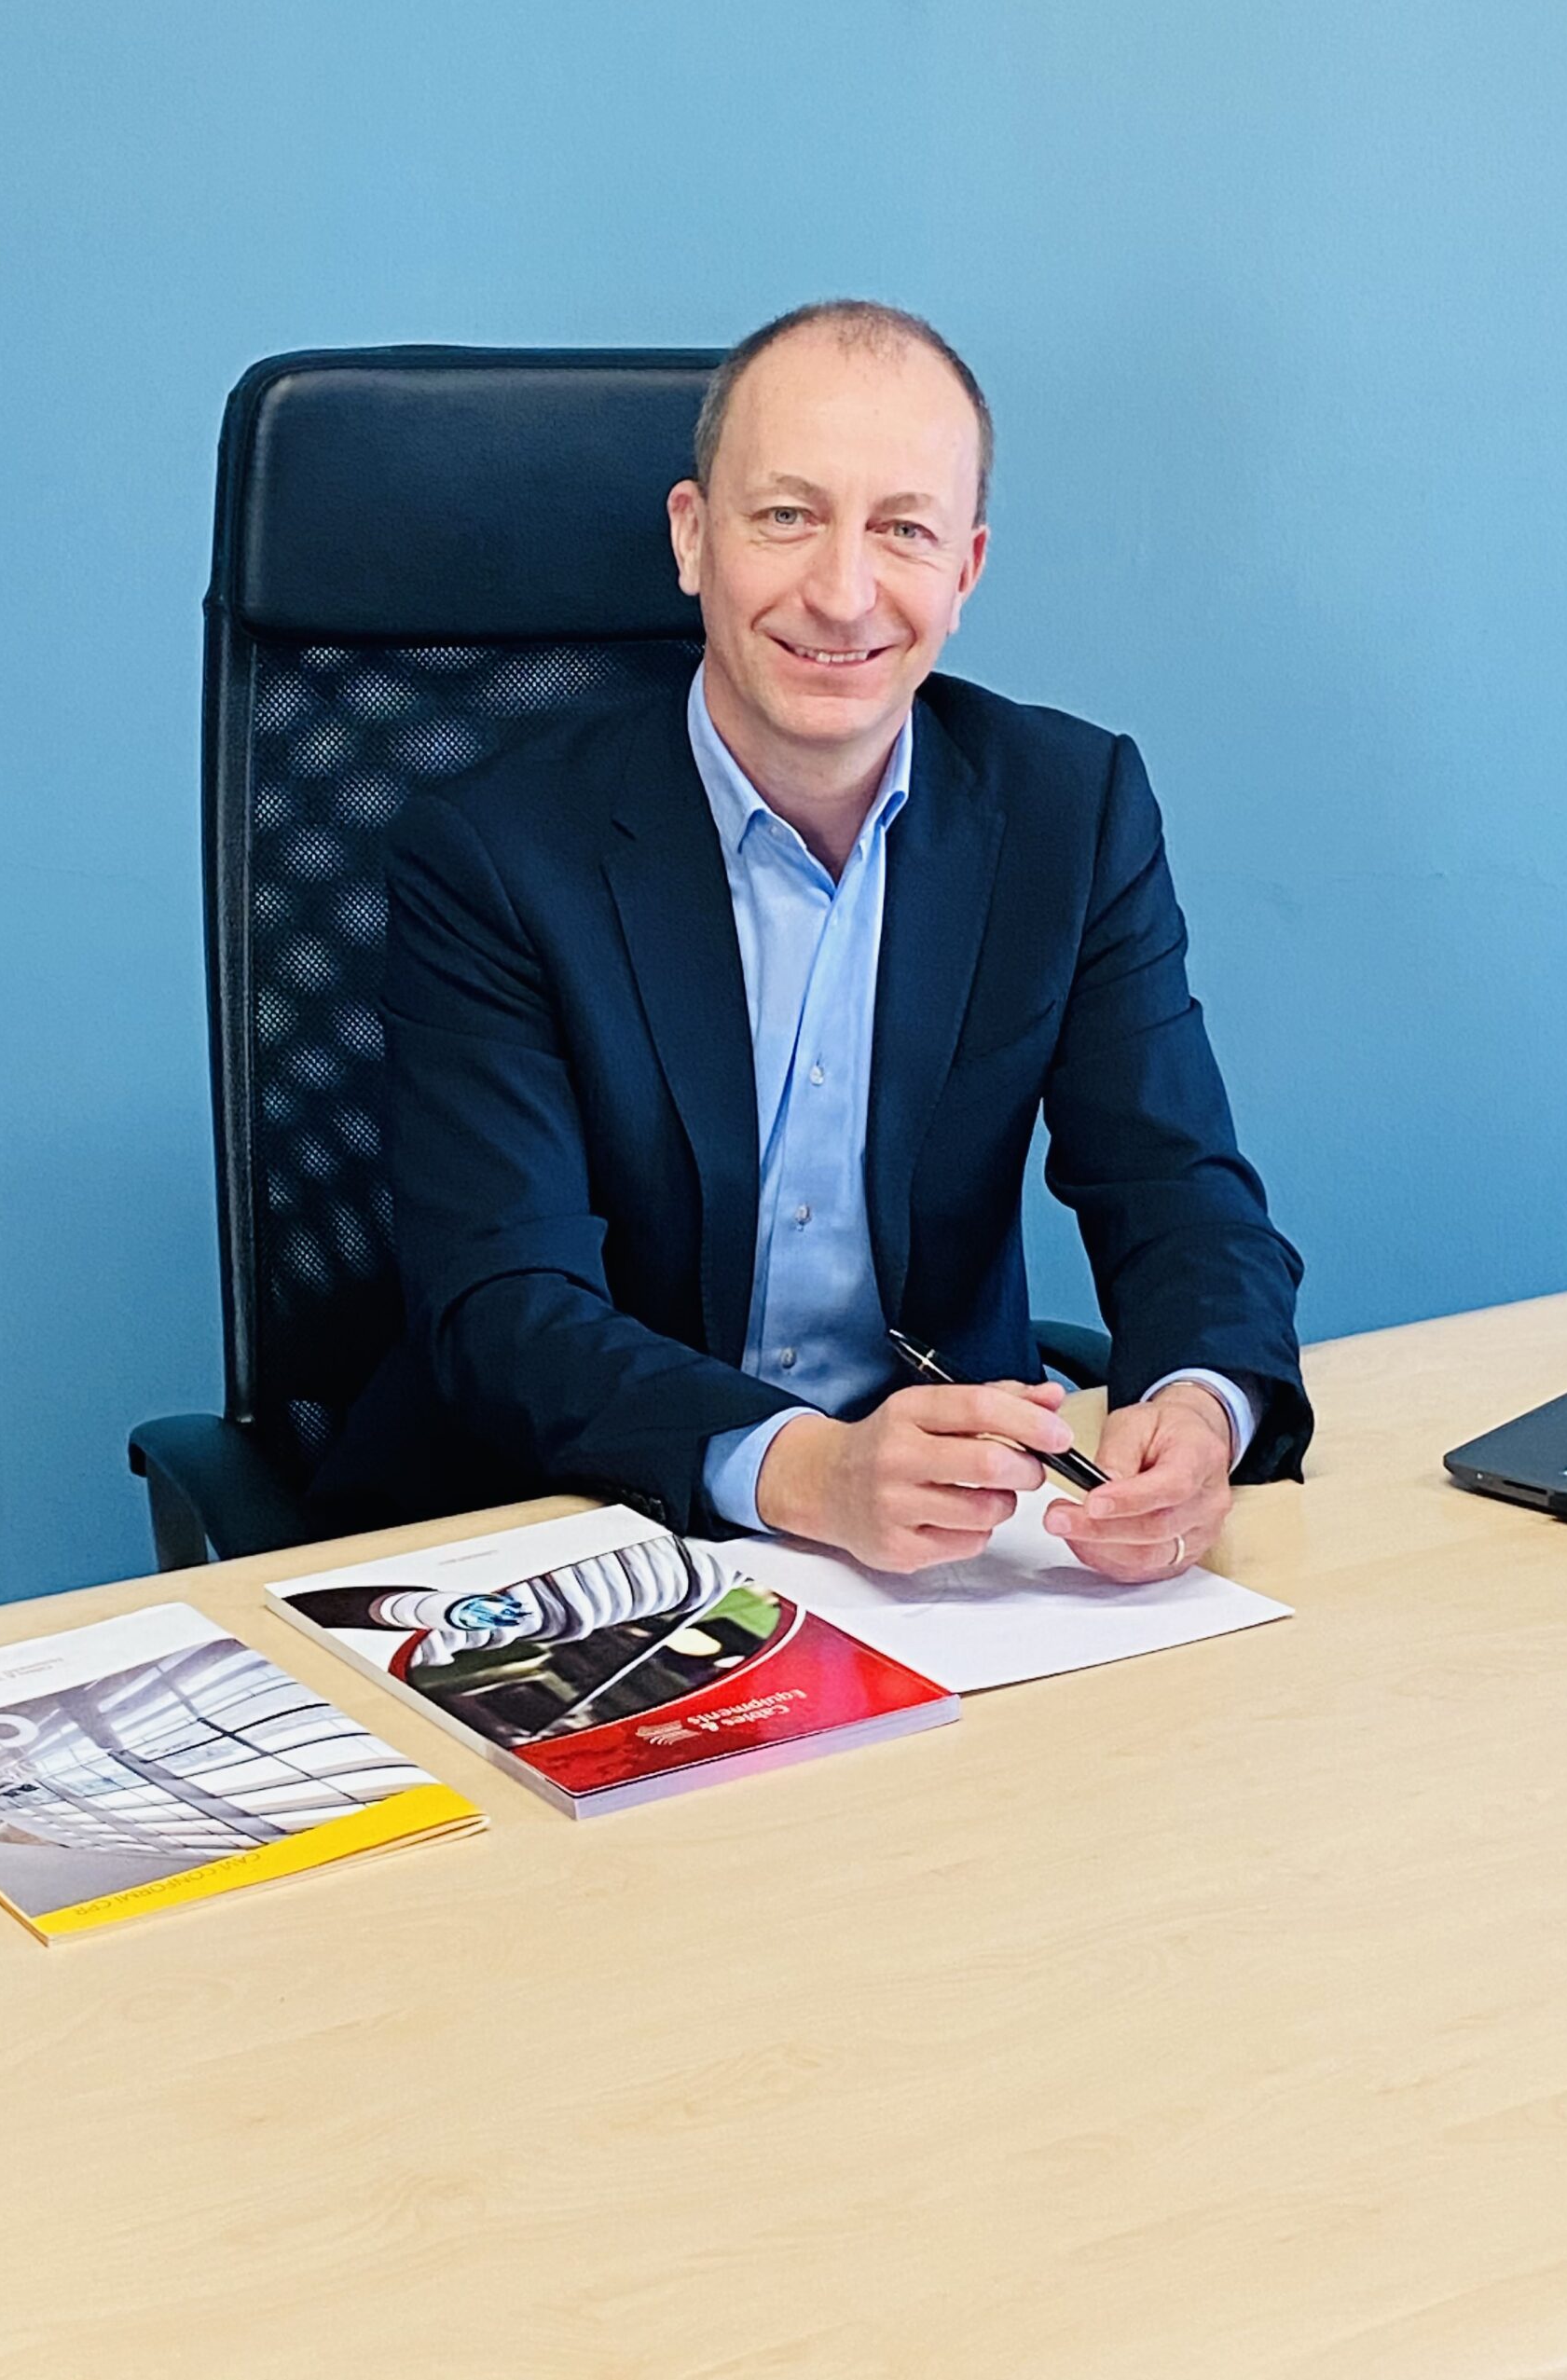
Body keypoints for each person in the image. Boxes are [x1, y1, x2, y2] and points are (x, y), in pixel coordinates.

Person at [313, 300, 1311, 1579]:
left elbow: (1180, 1192)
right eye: (787, 516)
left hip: (949, 1557)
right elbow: (502, 1305)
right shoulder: (496, 854)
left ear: (966, 570)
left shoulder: (1072, 812)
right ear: (693, 538)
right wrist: (807, 1470)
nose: (843, 595)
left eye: (904, 530)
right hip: (569, 1533)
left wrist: (1198, 1407)